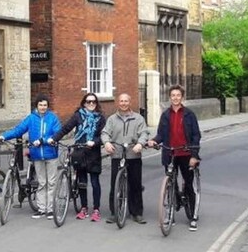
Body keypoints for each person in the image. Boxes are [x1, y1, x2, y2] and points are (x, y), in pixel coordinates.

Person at [147, 85, 202, 231]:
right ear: (170, 97)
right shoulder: (165, 115)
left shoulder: (189, 114)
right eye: (173, 95)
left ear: (182, 97)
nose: (175, 98)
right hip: (170, 153)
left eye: (178, 95)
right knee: (171, 184)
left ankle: (193, 216)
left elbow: (196, 136)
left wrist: (194, 155)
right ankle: (171, 212)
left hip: (186, 153)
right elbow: (160, 134)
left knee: (189, 184)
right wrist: (154, 141)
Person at [0, 95, 61, 219]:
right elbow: (18, 130)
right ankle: (42, 209)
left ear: (48, 106)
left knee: (51, 182)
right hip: (36, 154)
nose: (43, 107)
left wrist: (44, 140)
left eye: (45, 105)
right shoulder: (31, 118)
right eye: (40, 105)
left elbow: (57, 133)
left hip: (51, 153)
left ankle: (51, 209)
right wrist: (3, 136)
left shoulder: (53, 118)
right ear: (36, 106)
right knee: (42, 182)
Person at [52, 93, 107, 222]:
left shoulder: (101, 118)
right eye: (88, 102)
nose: (91, 104)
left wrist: (95, 141)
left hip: (93, 153)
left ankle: (96, 210)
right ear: (84, 103)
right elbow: (66, 128)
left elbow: (104, 135)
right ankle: (83, 208)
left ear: (96, 103)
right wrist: (53, 139)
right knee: (82, 182)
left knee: (94, 182)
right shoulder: (78, 116)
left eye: (93, 102)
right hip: (80, 152)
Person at [101, 93, 149, 224]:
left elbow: (144, 133)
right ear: (118, 102)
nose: (123, 103)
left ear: (130, 102)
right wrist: (106, 143)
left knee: (135, 184)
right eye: (121, 101)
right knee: (115, 184)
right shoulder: (111, 119)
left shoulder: (138, 118)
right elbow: (105, 133)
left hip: (133, 154)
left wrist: (140, 143)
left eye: (126, 101)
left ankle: (137, 212)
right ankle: (114, 211)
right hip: (117, 154)